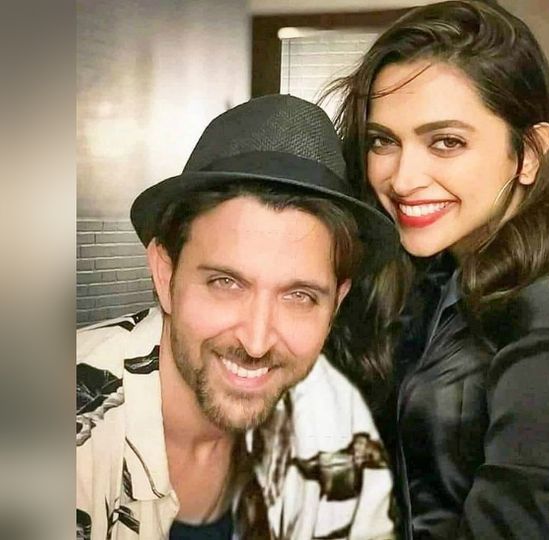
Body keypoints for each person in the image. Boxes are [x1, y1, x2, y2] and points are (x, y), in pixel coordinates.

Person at [326, 1, 549, 538]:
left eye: (446, 142)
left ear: (530, 153)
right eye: (383, 141)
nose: (402, 178)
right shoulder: (437, 271)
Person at [75, 94, 399, 540]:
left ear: (336, 304)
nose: (256, 341)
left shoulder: (337, 428)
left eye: (300, 296)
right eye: (226, 283)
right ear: (165, 274)